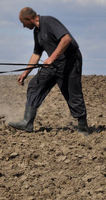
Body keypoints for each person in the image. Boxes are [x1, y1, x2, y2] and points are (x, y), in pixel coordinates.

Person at [9, 7, 90, 135]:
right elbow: (36, 54)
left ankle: (82, 126)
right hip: (54, 63)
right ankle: (27, 122)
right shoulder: (37, 32)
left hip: (70, 61)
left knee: (72, 93)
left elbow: (66, 39)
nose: (23, 26)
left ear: (28, 19)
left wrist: (51, 58)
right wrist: (25, 73)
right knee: (35, 85)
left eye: (23, 23)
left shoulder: (49, 21)